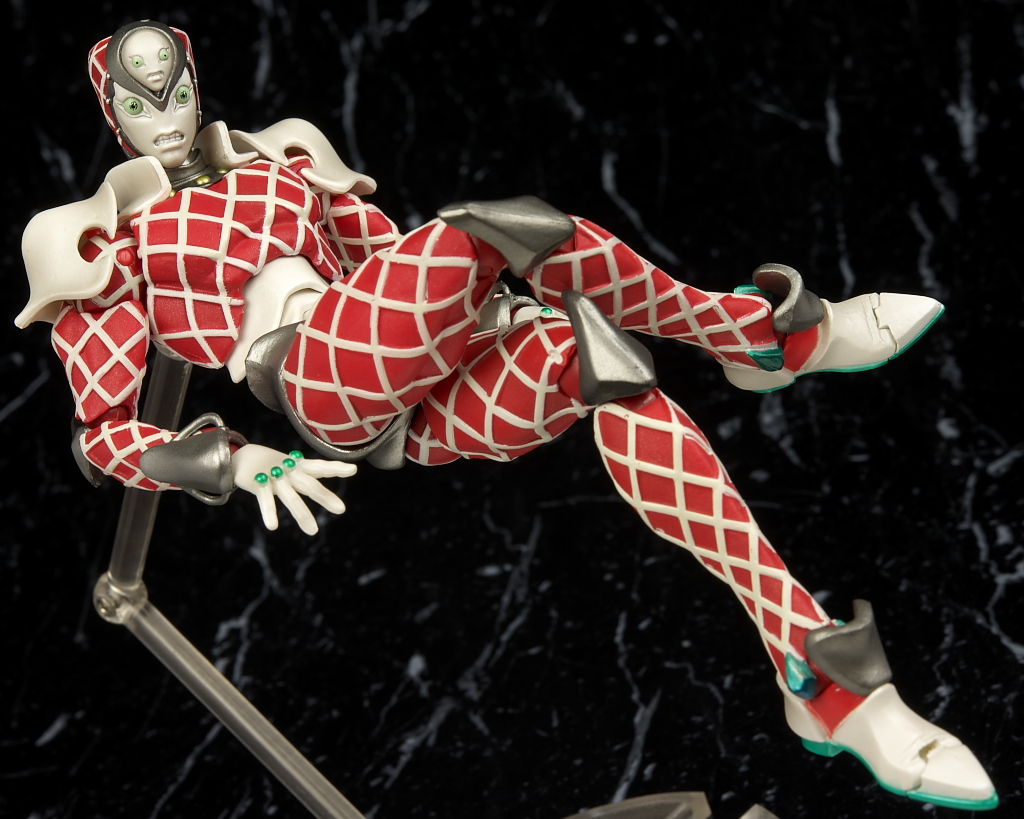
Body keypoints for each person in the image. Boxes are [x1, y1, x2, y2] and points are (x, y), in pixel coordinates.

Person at [16, 19, 997, 811]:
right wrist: (228, 464)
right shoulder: (103, 240)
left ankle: (818, 674)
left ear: (197, 84)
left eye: (175, 92)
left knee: (601, 360)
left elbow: (388, 265)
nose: (165, 117)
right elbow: (102, 435)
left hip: (419, 390)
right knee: (499, 225)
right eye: (139, 104)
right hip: (316, 381)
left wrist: (485, 316)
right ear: (112, 113)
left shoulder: (287, 159)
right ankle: (762, 336)